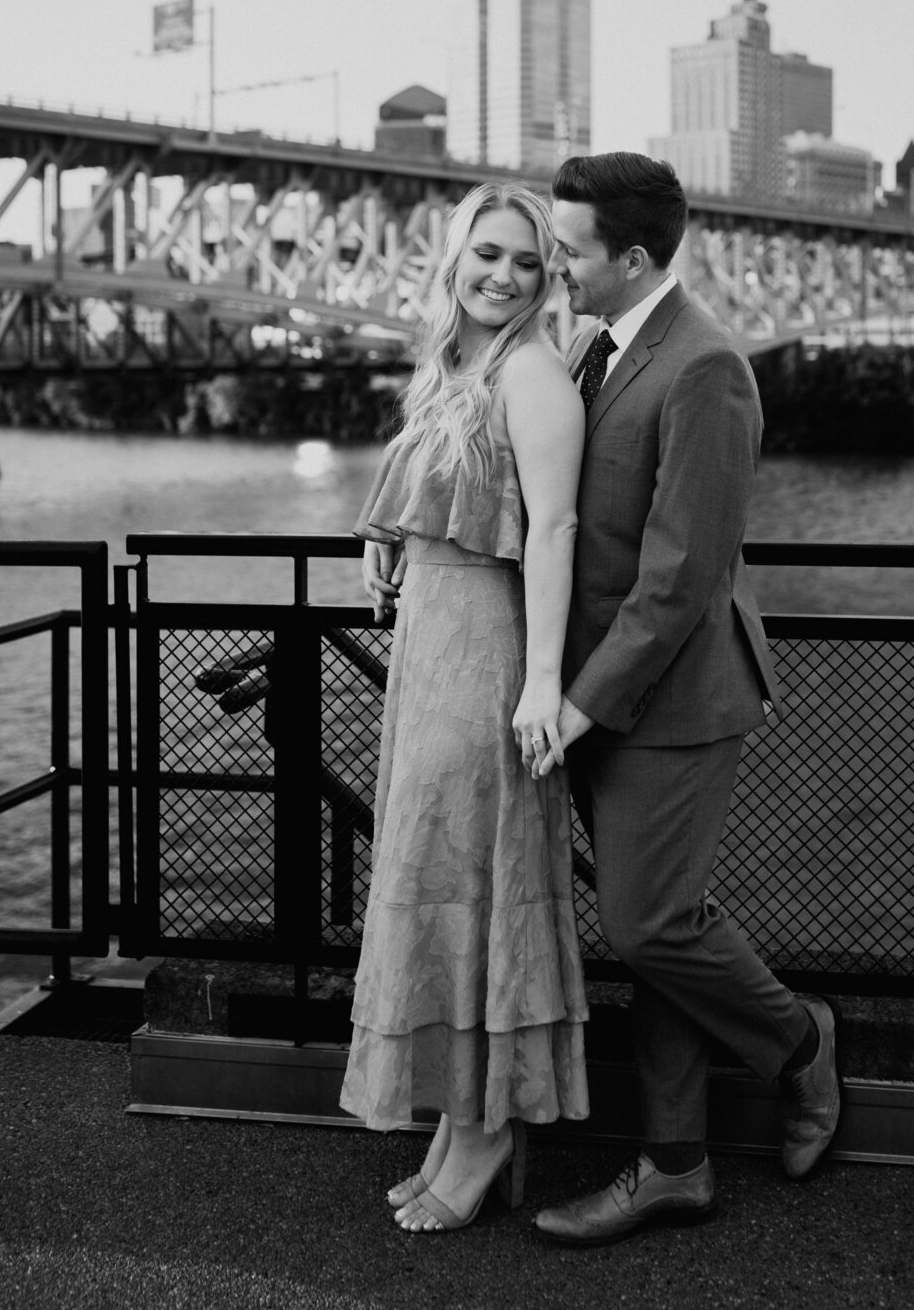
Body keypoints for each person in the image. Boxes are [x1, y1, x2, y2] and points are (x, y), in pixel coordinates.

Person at [532, 152, 841, 1248]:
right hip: (596, 693)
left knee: (647, 921)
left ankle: (802, 1046)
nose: (550, 265)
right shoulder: (591, 347)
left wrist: (579, 704)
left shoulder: (707, 368)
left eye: (567, 250)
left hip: (671, 698)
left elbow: (682, 574)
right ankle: (675, 1163)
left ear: (630, 257)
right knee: (658, 931)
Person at [341, 181, 589, 1234]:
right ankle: (464, 1119)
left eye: (526, 263)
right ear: (455, 260)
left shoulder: (532, 372)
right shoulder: (454, 366)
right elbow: (440, 485)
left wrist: (541, 681)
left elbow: (555, 527)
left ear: (547, 278)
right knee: (432, 872)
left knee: (475, 877)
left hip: (486, 656)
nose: (503, 276)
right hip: (431, 649)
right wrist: (386, 530)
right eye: (487, 255)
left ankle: (490, 1134)